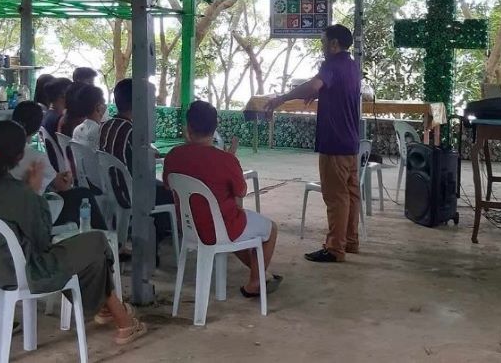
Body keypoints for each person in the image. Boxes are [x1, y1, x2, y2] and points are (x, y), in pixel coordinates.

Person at [0, 121, 147, 345]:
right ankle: (121, 320)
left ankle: (113, 313)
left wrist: (28, 193)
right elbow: (41, 240)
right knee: (97, 242)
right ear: (20, 156)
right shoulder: (21, 195)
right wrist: (35, 193)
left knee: (93, 258)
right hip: (26, 272)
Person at [164, 101, 281, 297]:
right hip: (222, 228)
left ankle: (262, 275)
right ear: (215, 127)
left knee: (236, 230)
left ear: (188, 127)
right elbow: (240, 191)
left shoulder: (173, 156)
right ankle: (255, 283)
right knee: (270, 229)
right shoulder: (226, 160)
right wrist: (230, 159)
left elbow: (168, 184)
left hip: (190, 229)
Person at [266, 24, 360, 263]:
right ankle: (349, 241)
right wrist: (319, 93)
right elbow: (334, 89)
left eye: (323, 42)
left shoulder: (331, 64)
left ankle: (334, 248)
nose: (322, 47)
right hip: (350, 141)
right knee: (349, 194)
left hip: (334, 141)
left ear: (334, 44)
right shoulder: (352, 67)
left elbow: (314, 84)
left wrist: (281, 99)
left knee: (335, 197)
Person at [98, 78, 173, 253]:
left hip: (110, 188)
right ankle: (153, 242)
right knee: (171, 192)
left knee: (161, 187)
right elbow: (144, 168)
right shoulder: (133, 131)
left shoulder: (106, 126)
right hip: (128, 193)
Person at [10, 102, 106, 229]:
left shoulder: (3, 151)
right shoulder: (36, 157)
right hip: (34, 214)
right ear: (38, 126)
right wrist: (65, 178)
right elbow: (62, 186)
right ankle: (104, 238)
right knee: (83, 195)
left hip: (11, 209)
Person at [72, 85, 106, 150]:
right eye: (104, 103)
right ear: (98, 107)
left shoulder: (76, 129)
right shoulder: (101, 132)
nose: (105, 106)